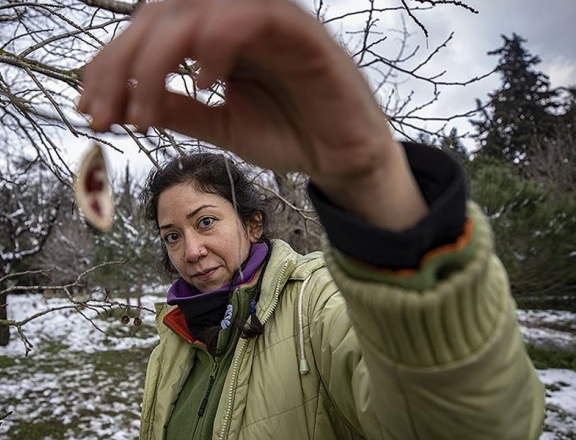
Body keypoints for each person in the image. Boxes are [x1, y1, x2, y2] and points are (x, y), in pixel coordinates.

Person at [78, 0, 546, 438]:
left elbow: (475, 424)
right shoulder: (172, 342)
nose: (190, 251)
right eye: (171, 236)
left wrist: (370, 179)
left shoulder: (317, 304)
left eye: (205, 222)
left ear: (253, 225)